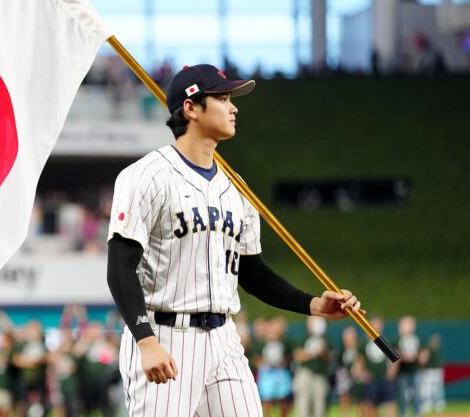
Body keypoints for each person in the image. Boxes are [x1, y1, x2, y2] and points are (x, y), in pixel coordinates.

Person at [106, 64, 363, 416]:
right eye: (223, 98)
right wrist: (145, 339)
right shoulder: (147, 176)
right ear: (191, 108)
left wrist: (313, 304)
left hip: (224, 338)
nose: (234, 107)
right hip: (165, 334)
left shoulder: (237, 187)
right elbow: (120, 266)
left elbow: (252, 272)